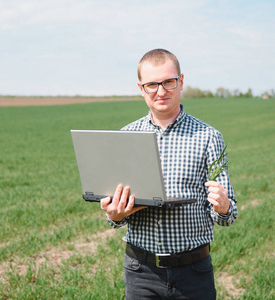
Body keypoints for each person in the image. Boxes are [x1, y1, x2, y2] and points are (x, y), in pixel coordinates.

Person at [100, 49, 238, 300]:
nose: (161, 91)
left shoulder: (209, 137)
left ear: (181, 82)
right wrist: (114, 213)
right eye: (152, 84)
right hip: (140, 272)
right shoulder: (126, 136)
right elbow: (115, 219)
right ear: (141, 88)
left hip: (193, 273)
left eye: (168, 82)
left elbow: (228, 217)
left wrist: (224, 206)